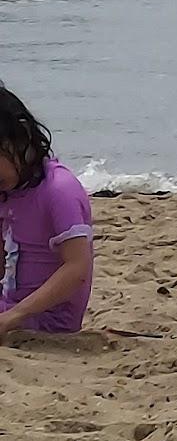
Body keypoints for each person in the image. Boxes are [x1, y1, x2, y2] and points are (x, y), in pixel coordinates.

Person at [0, 87, 92, 335]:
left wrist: (12, 317)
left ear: (22, 137)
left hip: (48, 320)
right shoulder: (9, 190)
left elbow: (77, 269)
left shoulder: (59, 190)